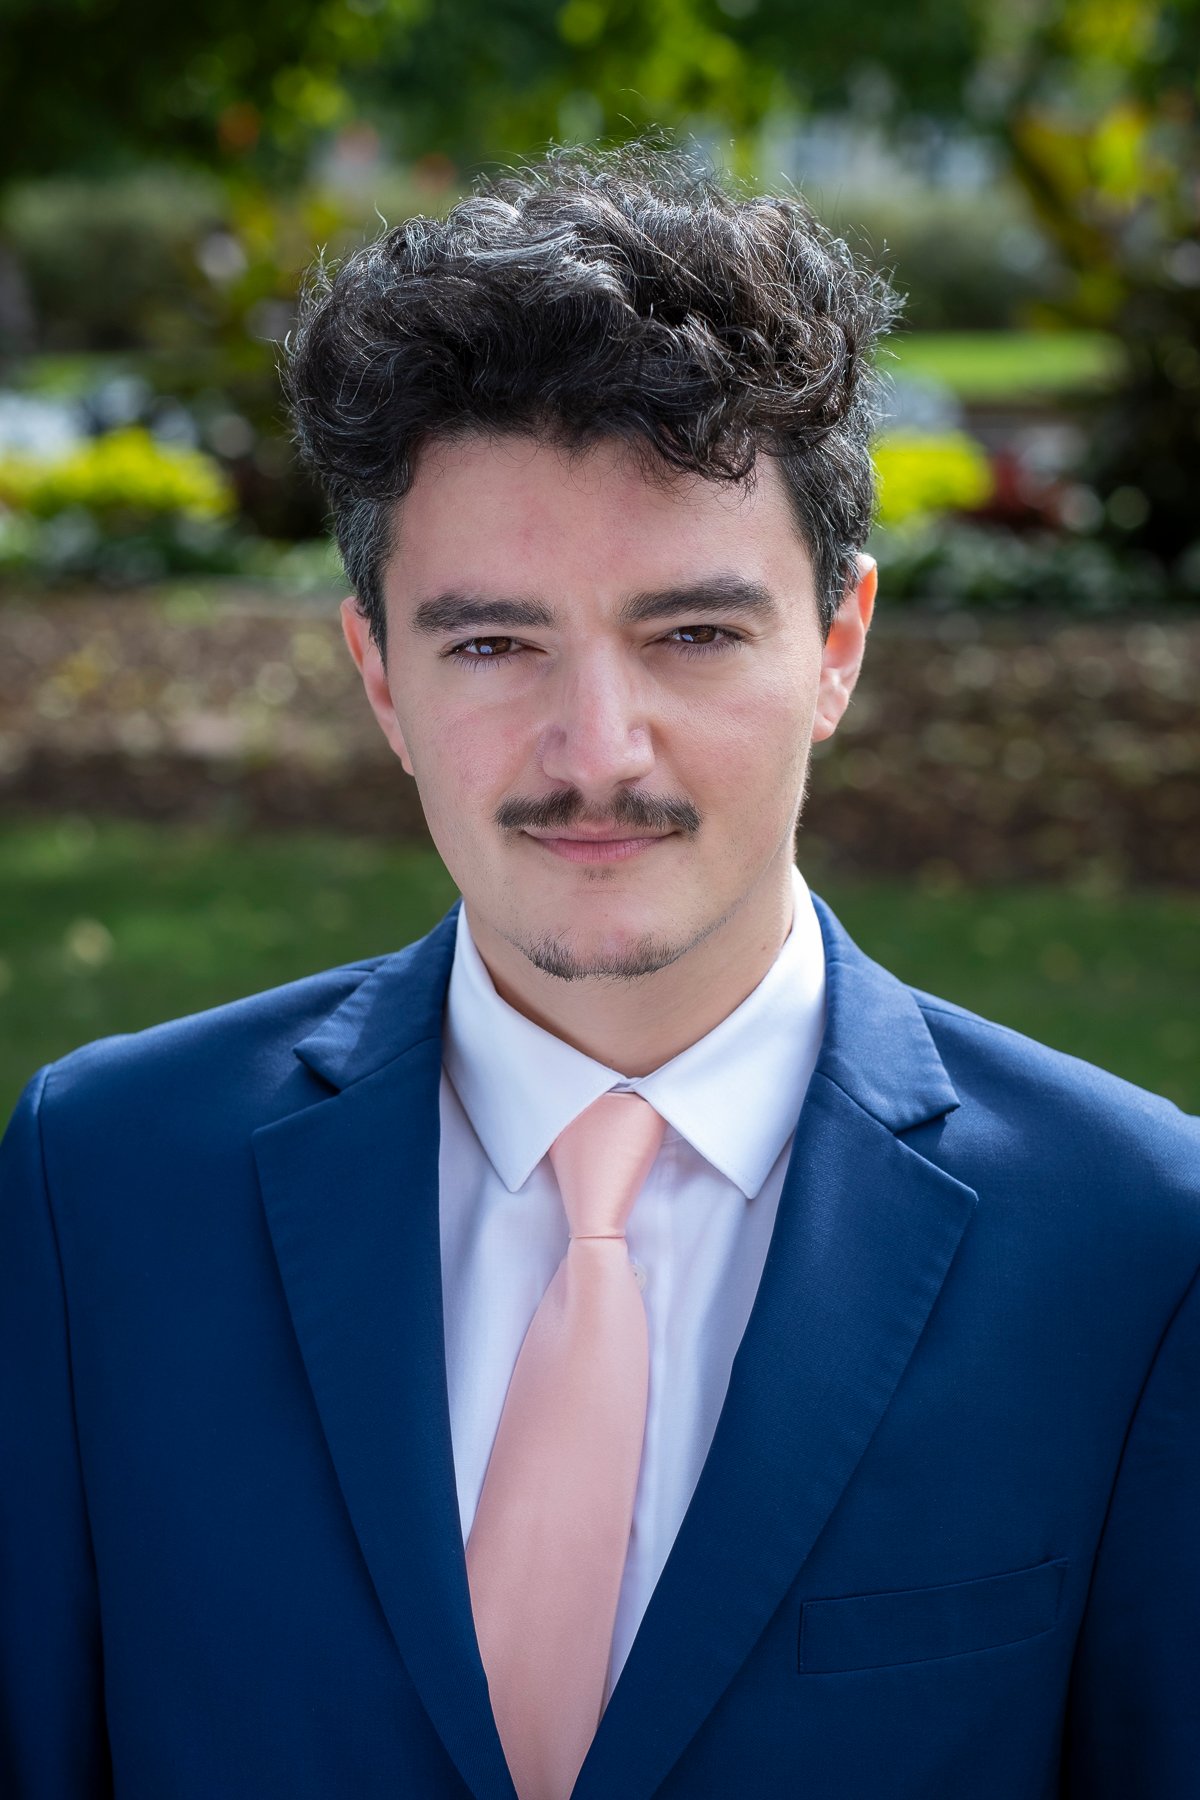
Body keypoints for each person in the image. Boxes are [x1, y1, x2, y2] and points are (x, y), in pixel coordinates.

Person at [1, 140, 1197, 1800]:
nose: (596, 750)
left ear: (838, 647)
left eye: (692, 634)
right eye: (494, 642)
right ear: (379, 675)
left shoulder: (1138, 1246)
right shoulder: (100, 1185)